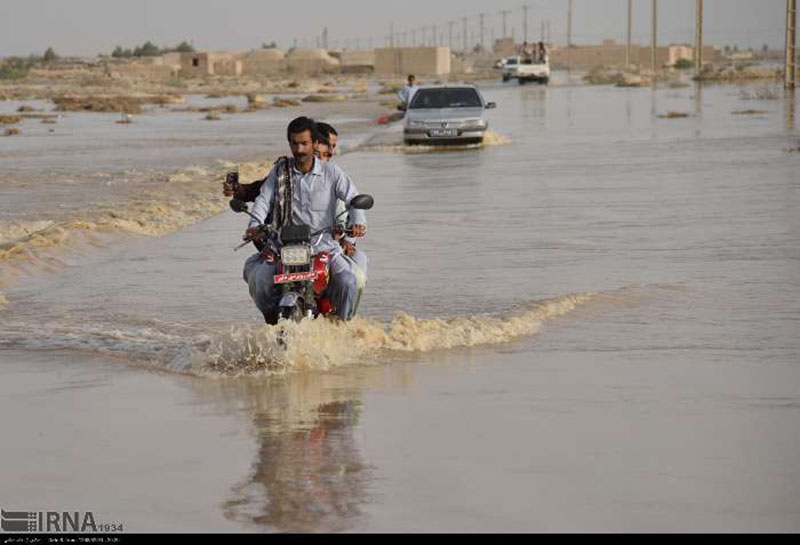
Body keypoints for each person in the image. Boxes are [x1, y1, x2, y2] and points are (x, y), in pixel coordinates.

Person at [242, 116, 367, 324]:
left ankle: (343, 327)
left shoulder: (332, 172)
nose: (299, 149)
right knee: (261, 280)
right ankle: (271, 323)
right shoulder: (280, 172)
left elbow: (354, 199)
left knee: (348, 282)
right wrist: (254, 225)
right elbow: (263, 199)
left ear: (314, 144)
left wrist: (358, 223)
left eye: (304, 143)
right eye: (294, 143)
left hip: (323, 248)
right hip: (284, 248)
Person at [314, 124, 369, 318]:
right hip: (302, 246)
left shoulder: (336, 176)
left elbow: (353, 207)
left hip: (335, 246)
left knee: (357, 274)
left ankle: (347, 319)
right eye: (325, 148)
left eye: (332, 147)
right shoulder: (289, 174)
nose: (330, 151)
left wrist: (349, 240)